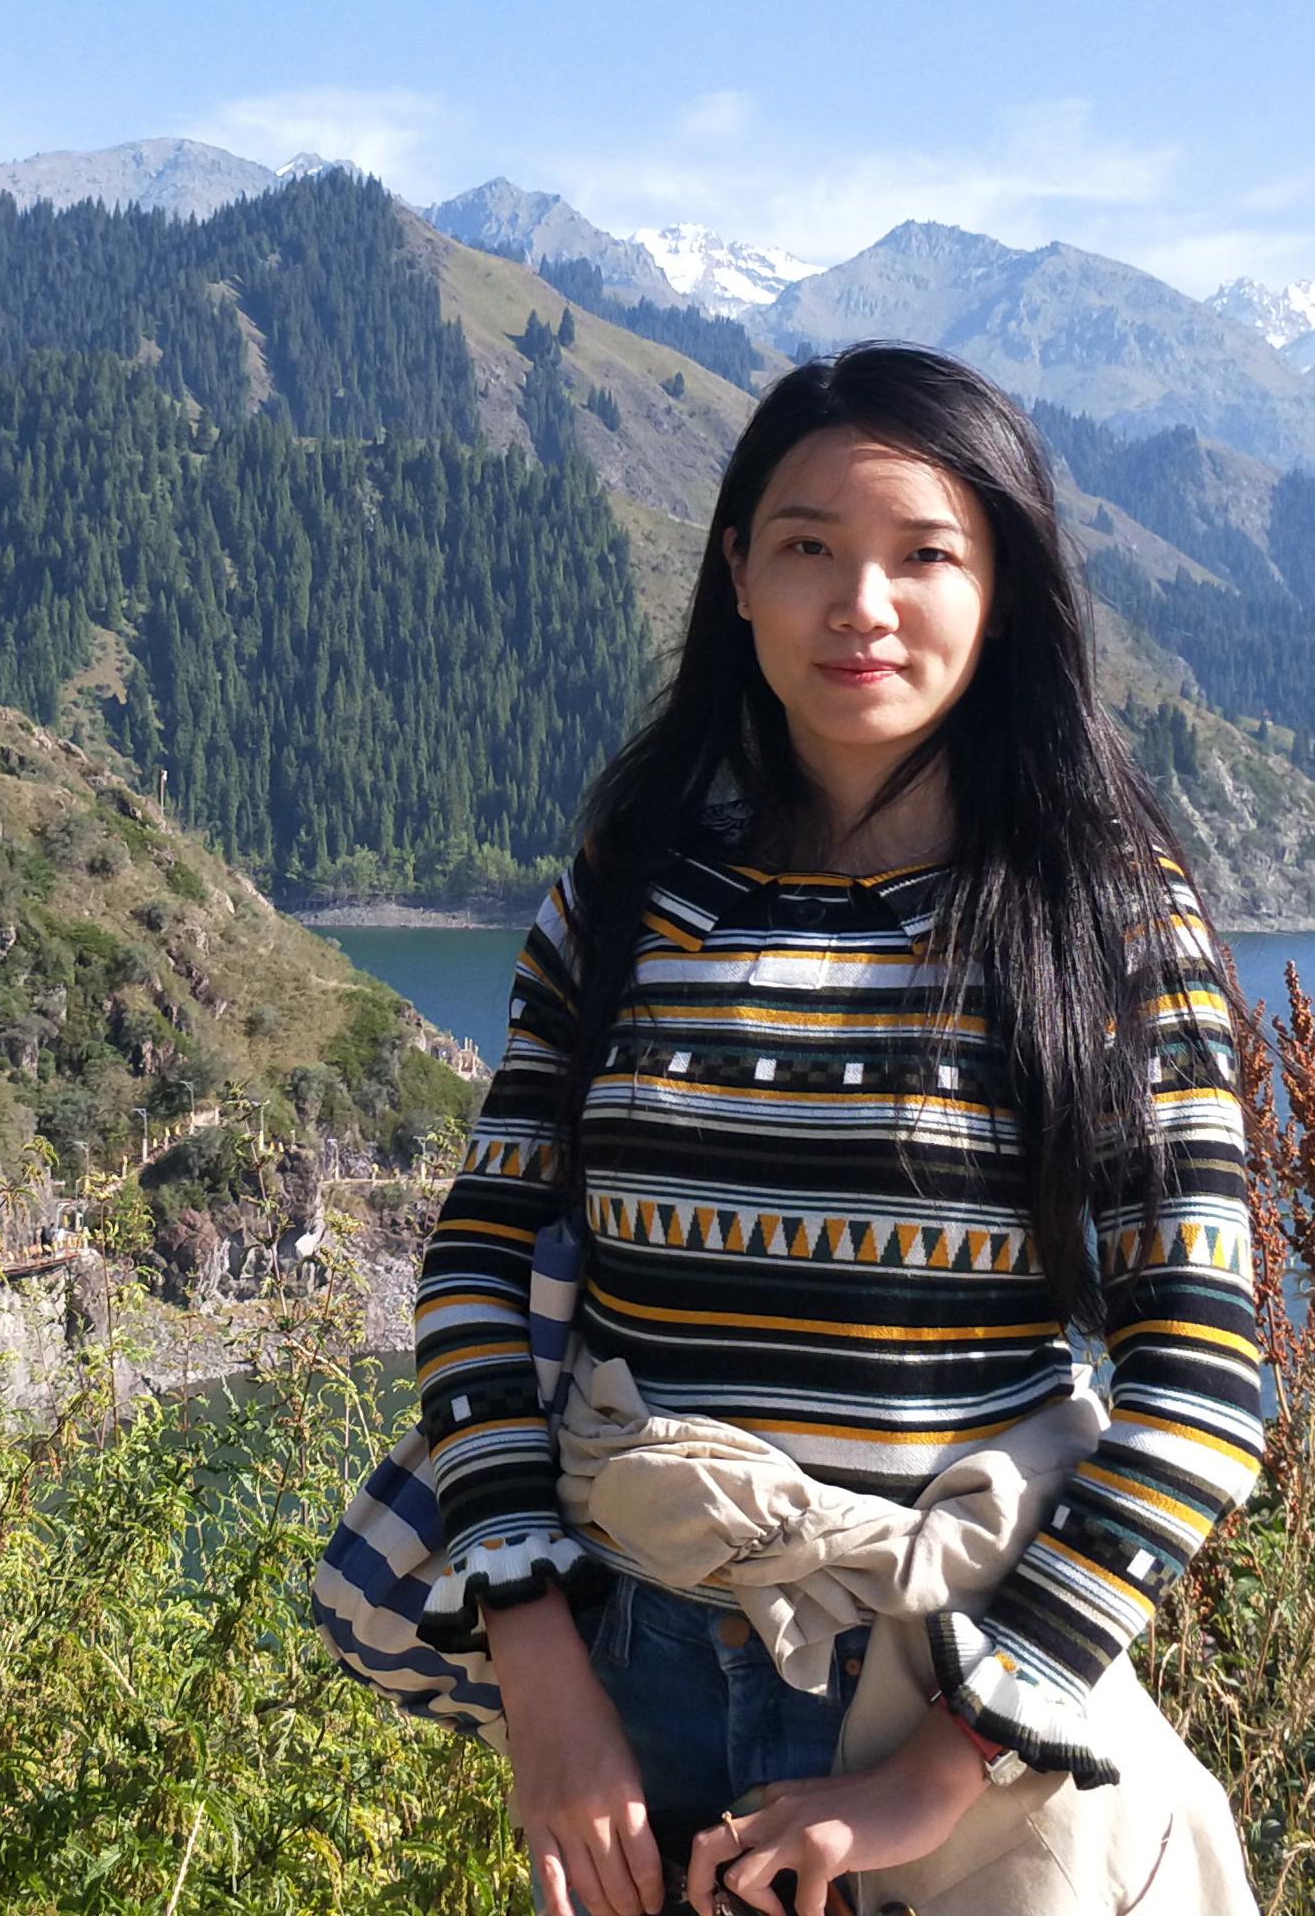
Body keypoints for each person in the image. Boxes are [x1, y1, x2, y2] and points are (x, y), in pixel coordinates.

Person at [413, 343, 1265, 1916]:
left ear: (1001, 588)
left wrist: (937, 1769)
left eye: (924, 554)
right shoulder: (630, 885)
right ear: (737, 573)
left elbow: (1202, 1375)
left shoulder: (1100, 915)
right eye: (808, 546)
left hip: (963, 1695)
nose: (860, 605)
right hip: (636, 1689)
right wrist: (540, 1672)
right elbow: (478, 1261)